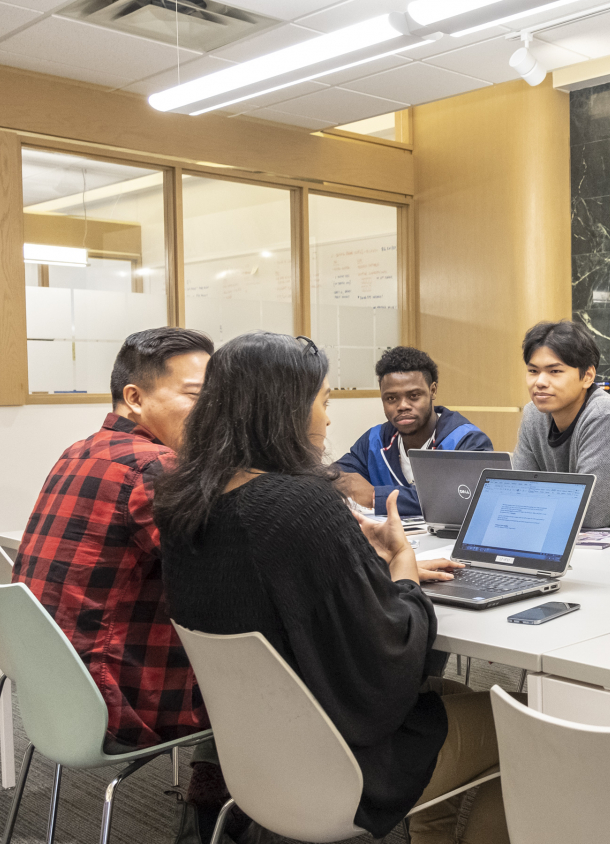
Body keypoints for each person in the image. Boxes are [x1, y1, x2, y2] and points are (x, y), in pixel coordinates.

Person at [156, 333, 509, 844]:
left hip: (255, 756)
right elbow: (390, 657)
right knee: (522, 720)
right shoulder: (297, 505)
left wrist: (350, 550)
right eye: (323, 403)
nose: (326, 420)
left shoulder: (184, 501)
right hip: (341, 767)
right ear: (285, 410)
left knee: (451, 694)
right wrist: (404, 568)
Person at [12, 327, 227, 832]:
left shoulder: (80, 450)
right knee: (276, 659)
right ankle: (224, 810)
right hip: (118, 700)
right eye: (198, 397)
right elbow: (231, 577)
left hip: (56, 694)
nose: (214, 414)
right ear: (134, 397)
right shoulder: (154, 467)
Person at [514, 320, 610, 529]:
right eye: (533, 371)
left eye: (555, 371)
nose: (540, 382)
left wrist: (533, 507)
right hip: (564, 539)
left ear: (588, 376)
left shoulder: (607, 416)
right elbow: (517, 494)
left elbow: (591, 516)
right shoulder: (532, 414)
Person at [334, 345, 493, 518]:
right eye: (391, 398)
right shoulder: (375, 440)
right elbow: (332, 475)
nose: (402, 406)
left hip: (447, 544)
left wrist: (375, 496)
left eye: (414, 396)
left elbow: (459, 499)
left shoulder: (467, 441)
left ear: (432, 391)